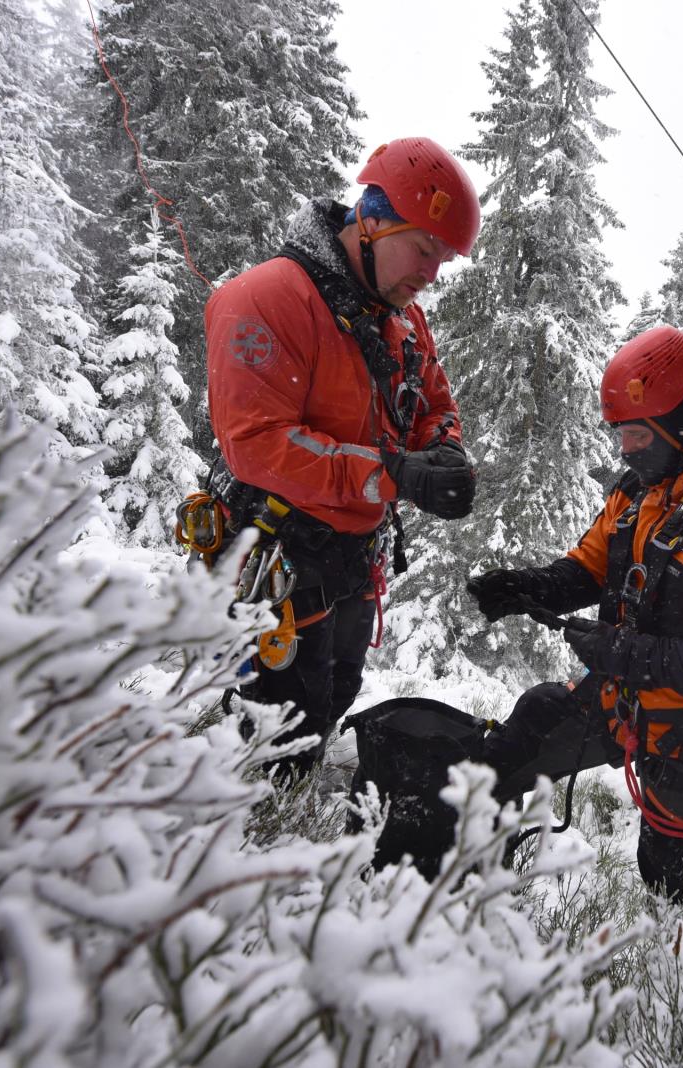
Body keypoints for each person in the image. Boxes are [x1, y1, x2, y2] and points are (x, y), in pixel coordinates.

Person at [466, 326, 683, 905]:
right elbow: (589, 568)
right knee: (527, 731)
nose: (625, 449)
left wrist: (625, 654)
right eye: (620, 433)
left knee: (669, 878)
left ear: (678, 424)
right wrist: (527, 586)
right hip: (622, 698)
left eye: (636, 433)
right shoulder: (637, 493)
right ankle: (475, 882)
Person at [203, 137, 480, 779]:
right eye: (424, 249)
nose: (431, 274)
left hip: (351, 558)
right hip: (276, 558)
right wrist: (389, 473)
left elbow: (433, 398)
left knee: (333, 693)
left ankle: (275, 811)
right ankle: (236, 843)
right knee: (272, 725)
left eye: (444, 259)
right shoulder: (267, 298)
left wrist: (442, 450)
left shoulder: (401, 315)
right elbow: (257, 443)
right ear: (373, 222)